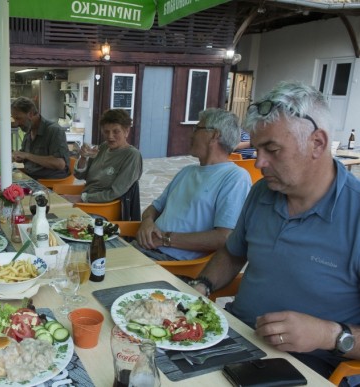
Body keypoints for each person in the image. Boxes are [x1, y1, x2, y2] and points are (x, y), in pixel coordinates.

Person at [192, 81, 360, 382]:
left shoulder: (355, 213)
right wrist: (202, 285)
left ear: (317, 144)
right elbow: (232, 253)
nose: (259, 162)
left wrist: (328, 334)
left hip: (305, 367)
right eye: (256, 148)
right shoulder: (262, 192)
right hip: (236, 337)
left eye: (272, 149)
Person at [134, 108, 251, 261]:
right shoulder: (187, 171)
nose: (191, 134)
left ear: (214, 135)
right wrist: (147, 223)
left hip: (170, 262)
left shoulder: (235, 177)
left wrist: (165, 239)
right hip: (143, 250)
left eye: (197, 129)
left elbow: (224, 237)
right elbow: (154, 208)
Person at [63, 109, 142, 203]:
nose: (110, 136)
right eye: (106, 131)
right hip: (86, 200)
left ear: (126, 132)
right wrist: (83, 158)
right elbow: (79, 175)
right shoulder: (104, 147)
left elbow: (115, 193)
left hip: (103, 207)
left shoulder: (132, 155)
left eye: (116, 131)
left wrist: (82, 199)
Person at [9, 96, 70, 179]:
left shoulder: (54, 130)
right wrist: (11, 153)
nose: (16, 123)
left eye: (18, 118)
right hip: (31, 177)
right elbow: (23, 156)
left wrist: (27, 155)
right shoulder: (29, 130)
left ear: (30, 114)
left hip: (50, 183)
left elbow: (60, 164)